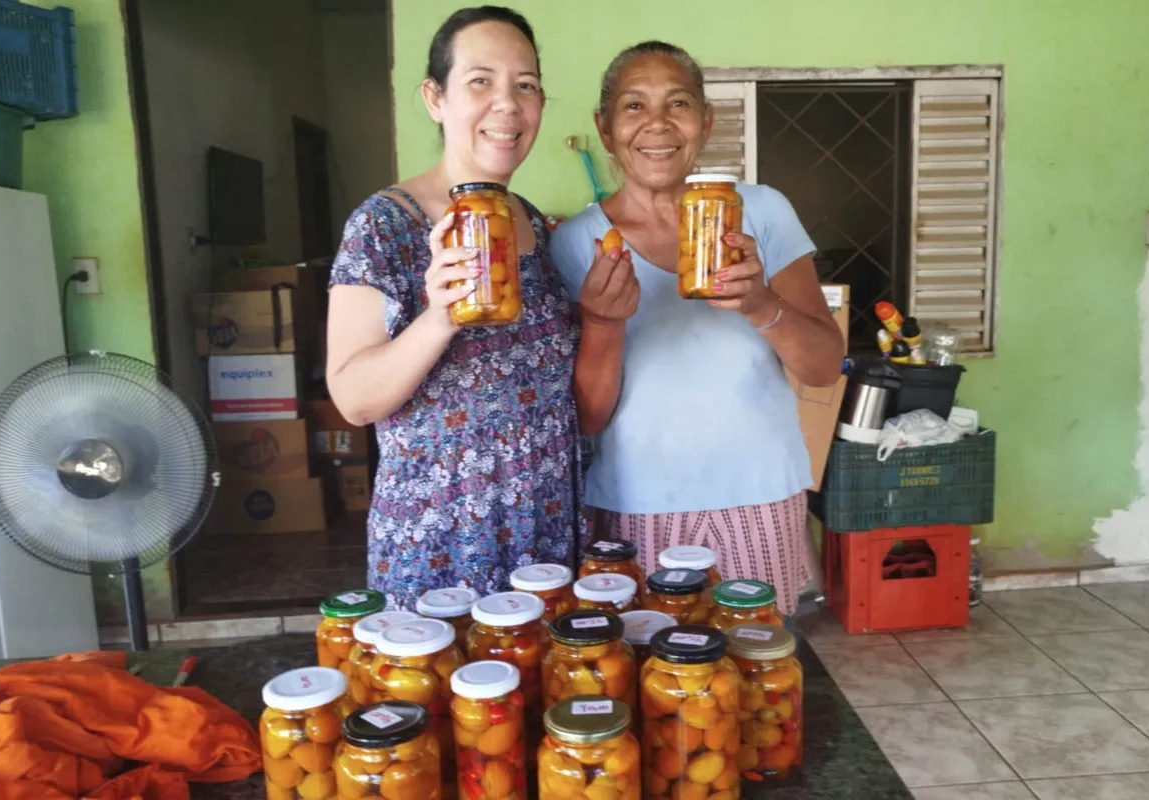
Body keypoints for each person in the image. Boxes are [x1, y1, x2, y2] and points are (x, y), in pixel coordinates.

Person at [550, 41, 844, 616]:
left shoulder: (761, 212)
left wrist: (760, 303)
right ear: (605, 128)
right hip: (636, 499)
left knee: (757, 657)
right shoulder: (577, 243)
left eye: (678, 103)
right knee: (653, 659)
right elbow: (587, 417)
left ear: (705, 122)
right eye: (634, 106)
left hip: (761, 491)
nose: (658, 124)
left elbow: (823, 367)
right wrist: (603, 321)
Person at [326, 6, 583, 610]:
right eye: (480, 81)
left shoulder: (538, 226)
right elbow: (354, 398)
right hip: (441, 543)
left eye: (526, 85)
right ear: (435, 98)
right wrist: (440, 316)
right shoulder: (384, 227)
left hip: (544, 537)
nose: (507, 105)